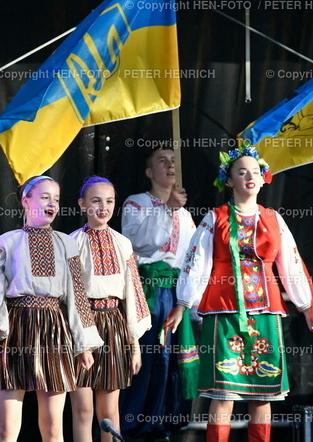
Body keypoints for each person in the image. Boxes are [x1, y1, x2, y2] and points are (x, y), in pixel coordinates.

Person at [166, 142, 313, 442]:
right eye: (241, 172)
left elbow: (291, 262)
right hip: (224, 310)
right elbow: (196, 263)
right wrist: (182, 303)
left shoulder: (273, 219)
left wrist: (308, 309)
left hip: (266, 311)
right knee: (223, 392)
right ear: (229, 180)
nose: (249, 176)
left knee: (263, 393)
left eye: (255, 171)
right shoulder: (215, 219)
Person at [0, 175, 104, 442]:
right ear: (25, 201)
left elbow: (76, 295)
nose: (51, 203)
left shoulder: (66, 243)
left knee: (54, 428)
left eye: (55, 198)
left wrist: (84, 344)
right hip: (16, 329)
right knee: (7, 429)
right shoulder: (6, 242)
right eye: (44, 197)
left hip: (54, 330)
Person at [119, 147, 197, 440]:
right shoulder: (136, 204)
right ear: (150, 172)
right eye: (162, 162)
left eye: (173, 161)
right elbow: (139, 242)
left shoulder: (187, 214)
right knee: (148, 356)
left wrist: (191, 301)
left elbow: (190, 258)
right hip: (149, 290)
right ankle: (135, 424)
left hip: (176, 293)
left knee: (174, 359)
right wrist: (167, 209)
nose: (170, 165)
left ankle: (166, 420)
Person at [69, 176, 152, 442]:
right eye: (96, 200)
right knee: (83, 408)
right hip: (82, 325)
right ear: (82, 204)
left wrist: (135, 344)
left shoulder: (122, 243)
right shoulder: (71, 243)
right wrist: (80, 341)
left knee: (110, 410)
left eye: (109, 201)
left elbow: (133, 294)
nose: (103, 207)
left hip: (114, 324)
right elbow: (70, 294)